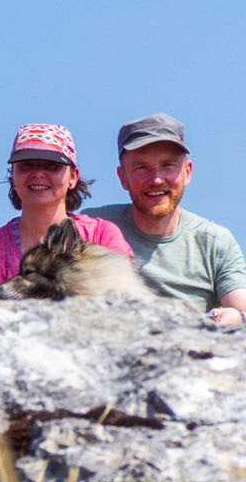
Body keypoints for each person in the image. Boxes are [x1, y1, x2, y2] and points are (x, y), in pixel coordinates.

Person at [82, 113, 246, 326]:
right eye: (141, 168)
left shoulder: (215, 242)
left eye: (168, 165)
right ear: (122, 177)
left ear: (187, 172)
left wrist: (237, 317)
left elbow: (241, 307)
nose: (156, 179)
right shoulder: (92, 228)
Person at [0, 123, 132, 309]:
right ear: (13, 176)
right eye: (26, 166)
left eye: (52, 166)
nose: (38, 174)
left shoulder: (102, 235)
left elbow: (125, 304)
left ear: (73, 177)